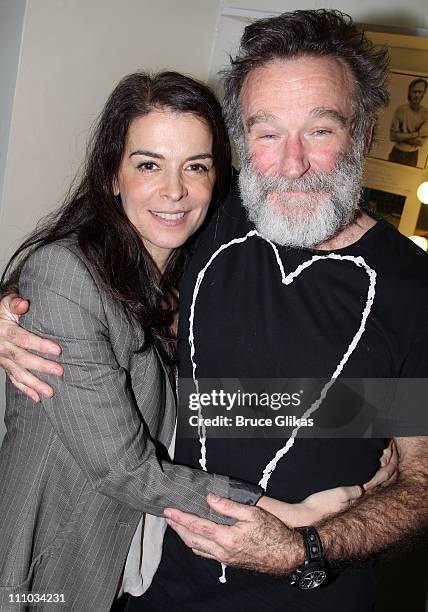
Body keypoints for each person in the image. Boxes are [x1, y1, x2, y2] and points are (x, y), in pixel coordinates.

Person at [0, 10, 416, 612]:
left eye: (320, 130)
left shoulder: (407, 284)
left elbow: (414, 472)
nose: (291, 161)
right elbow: (123, 462)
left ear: (364, 133)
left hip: (210, 580)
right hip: (89, 570)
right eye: (267, 132)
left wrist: (324, 533)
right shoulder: (180, 236)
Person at [388, 78, 428, 167]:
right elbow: (393, 136)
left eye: (420, 92)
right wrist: (417, 134)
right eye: (415, 92)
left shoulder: (426, 114)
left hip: (412, 156)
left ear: (423, 94)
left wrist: (401, 136)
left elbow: (420, 142)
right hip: (397, 153)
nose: (417, 95)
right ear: (409, 92)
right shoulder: (401, 110)